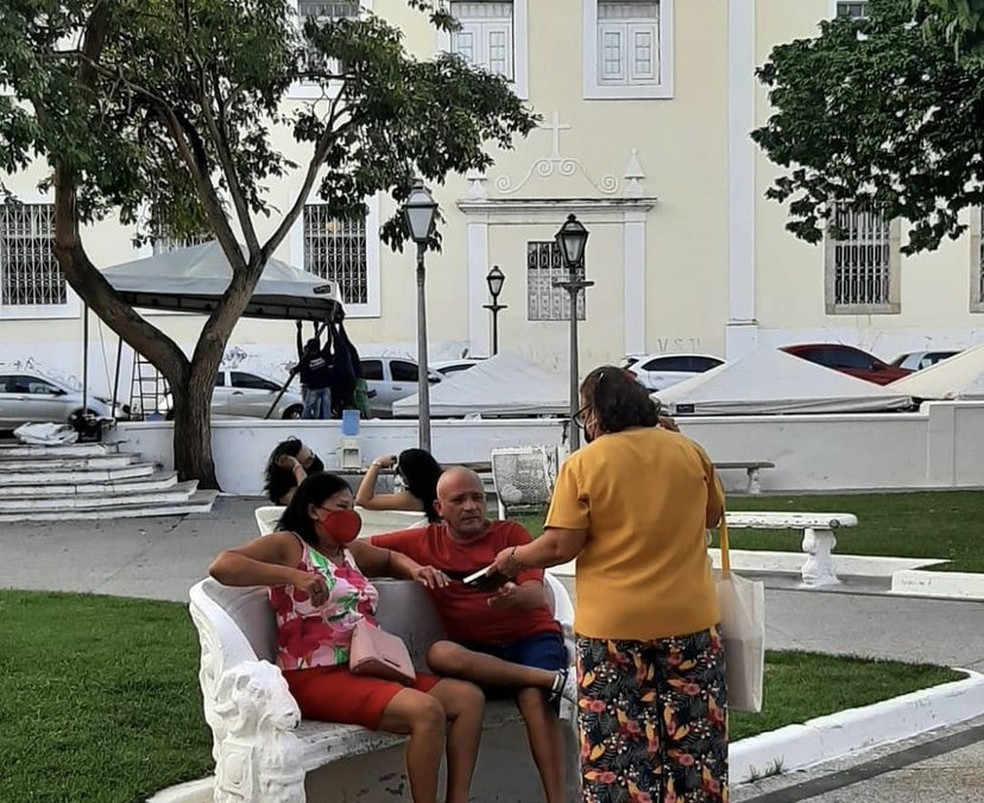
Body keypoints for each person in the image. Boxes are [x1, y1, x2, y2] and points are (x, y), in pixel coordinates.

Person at [492, 366, 729, 803]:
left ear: (595, 413)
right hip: (691, 622)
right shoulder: (689, 451)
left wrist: (513, 559)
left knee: (619, 758)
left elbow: (561, 545)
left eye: (583, 412)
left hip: (614, 632)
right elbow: (711, 516)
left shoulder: (585, 463)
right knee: (695, 752)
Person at [209, 472, 485, 803]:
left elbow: (389, 558)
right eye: (342, 506)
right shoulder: (290, 545)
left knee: (468, 698)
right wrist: (293, 575)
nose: (351, 514)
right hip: (314, 674)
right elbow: (223, 565)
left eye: (353, 506)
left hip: (364, 666)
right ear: (314, 510)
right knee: (426, 712)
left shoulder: (348, 552)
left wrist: (415, 570)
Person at [371, 467, 576, 803]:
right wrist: (411, 568)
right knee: (440, 653)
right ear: (439, 509)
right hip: (477, 656)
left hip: (531, 640)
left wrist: (513, 595)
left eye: (478, 498)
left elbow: (536, 596)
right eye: (459, 500)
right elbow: (359, 550)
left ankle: (557, 799)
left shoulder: (511, 534)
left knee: (533, 698)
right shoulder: (424, 542)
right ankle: (553, 679)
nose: (470, 506)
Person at [356, 448, 444, 523]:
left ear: (409, 478)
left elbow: (363, 500)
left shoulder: (413, 499)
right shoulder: (447, 487)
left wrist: (376, 464)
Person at [263, 438, 325, 505]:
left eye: (312, 454)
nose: (314, 459)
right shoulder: (286, 495)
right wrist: (296, 465)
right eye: (308, 461)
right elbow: (306, 497)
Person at [297, 328, 333, 420]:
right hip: (316, 388)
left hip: (319, 387)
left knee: (318, 407)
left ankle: (324, 423)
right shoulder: (307, 358)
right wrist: (329, 327)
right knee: (310, 407)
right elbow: (329, 341)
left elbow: (329, 341)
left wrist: (327, 327)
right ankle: (306, 422)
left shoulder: (310, 358)